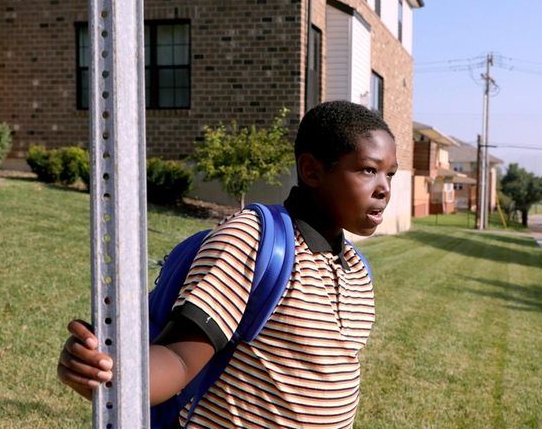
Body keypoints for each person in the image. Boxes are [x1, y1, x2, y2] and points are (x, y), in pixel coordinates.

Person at [57, 100, 398, 428]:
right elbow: (178, 357)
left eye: (390, 174)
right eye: (368, 170)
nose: (383, 188)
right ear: (311, 170)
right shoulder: (254, 239)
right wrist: (110, 372)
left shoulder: (357, 268)